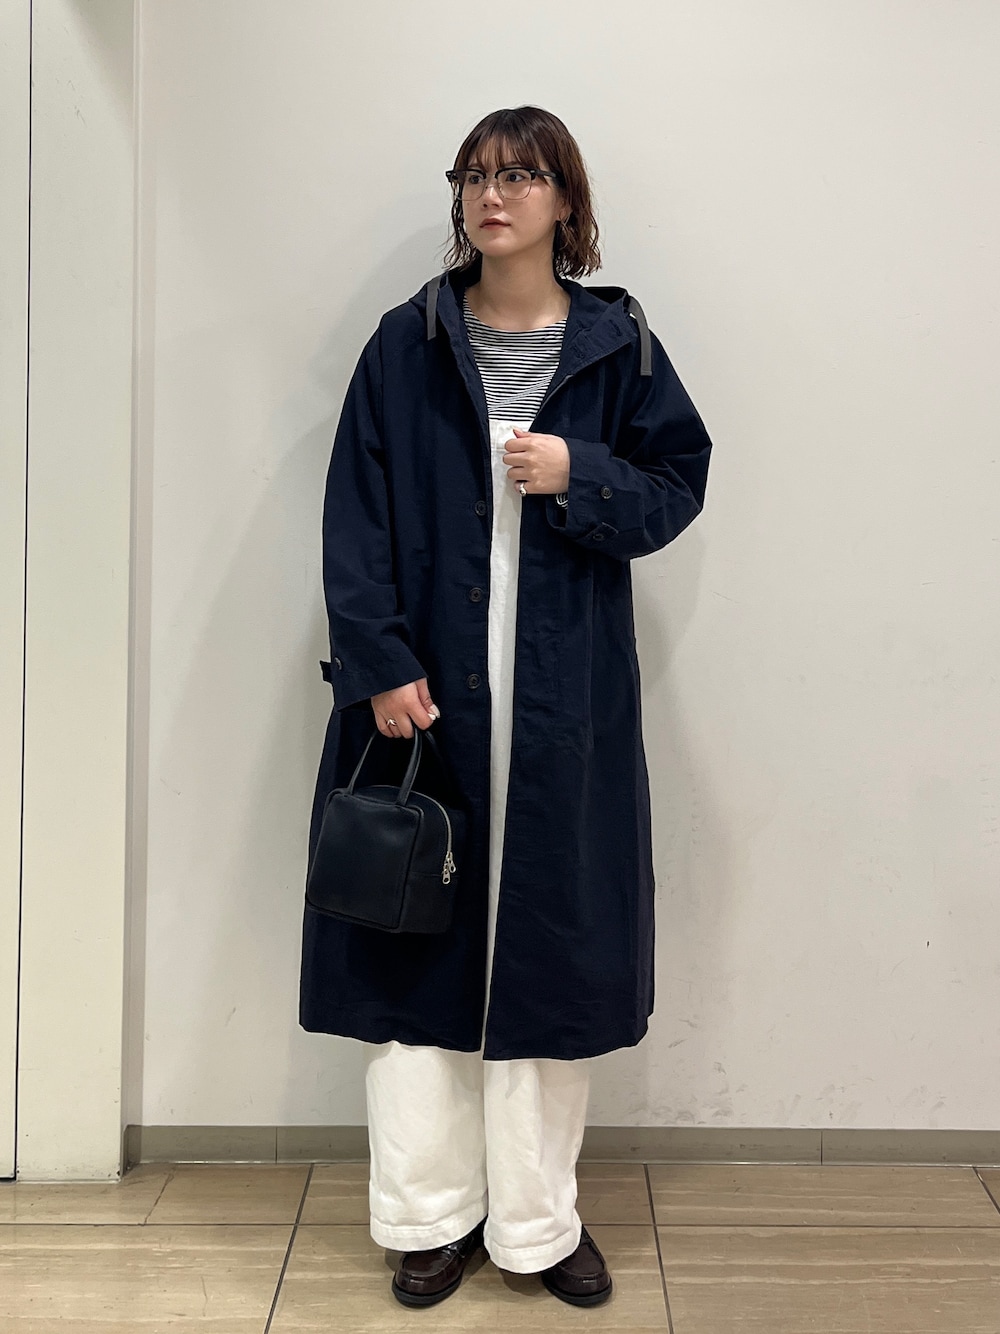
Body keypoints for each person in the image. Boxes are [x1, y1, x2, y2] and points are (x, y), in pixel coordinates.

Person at [299, 105, 713, 1308]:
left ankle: (536, 1223)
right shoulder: (408, 342)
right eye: (477, 174)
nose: (494, 193)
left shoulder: (619, 347)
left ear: (563, 201)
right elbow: (354, 513)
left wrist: (580, 472)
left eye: (522, 175)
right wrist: (377, 662)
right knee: (413, 948)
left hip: (561, 702)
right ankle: (428, 1217)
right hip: (423, 693)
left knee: (549, 956)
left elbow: (676, 484)